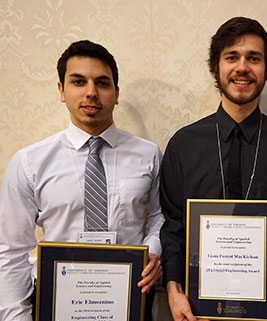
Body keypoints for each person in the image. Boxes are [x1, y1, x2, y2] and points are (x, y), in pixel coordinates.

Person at [160, 17, 267, 321]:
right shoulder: (183, 144)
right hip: (196, 311)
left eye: (253, 58)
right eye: (232, 57)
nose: (242, 67)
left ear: (266, 69)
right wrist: (173, 290)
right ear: (216, 66)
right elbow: (174, 224)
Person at [0, 40, 164, 321]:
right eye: (79, 81)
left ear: (116, 93)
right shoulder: (29, 162)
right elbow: (10, 250)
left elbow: (161, 215)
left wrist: (155, 251)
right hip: (54, 303)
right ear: (62, 91)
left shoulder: (148, 154)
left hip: (130, 300)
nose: (91, 92)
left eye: (102, 83)